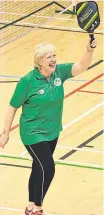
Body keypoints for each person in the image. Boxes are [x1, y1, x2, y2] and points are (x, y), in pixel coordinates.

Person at [0, 38, 97, 215]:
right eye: (48, 57)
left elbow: (81, 66)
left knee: (38, 167)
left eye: (54, 55)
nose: (53, 59)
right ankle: (37, 208)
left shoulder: (59, 73)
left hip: (52, 131)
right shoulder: (28, 81)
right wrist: (5, 133)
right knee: (48, 168)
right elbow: (12, 106)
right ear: (39, 61)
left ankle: (30, 205)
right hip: (32, 133)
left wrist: (89, 51)